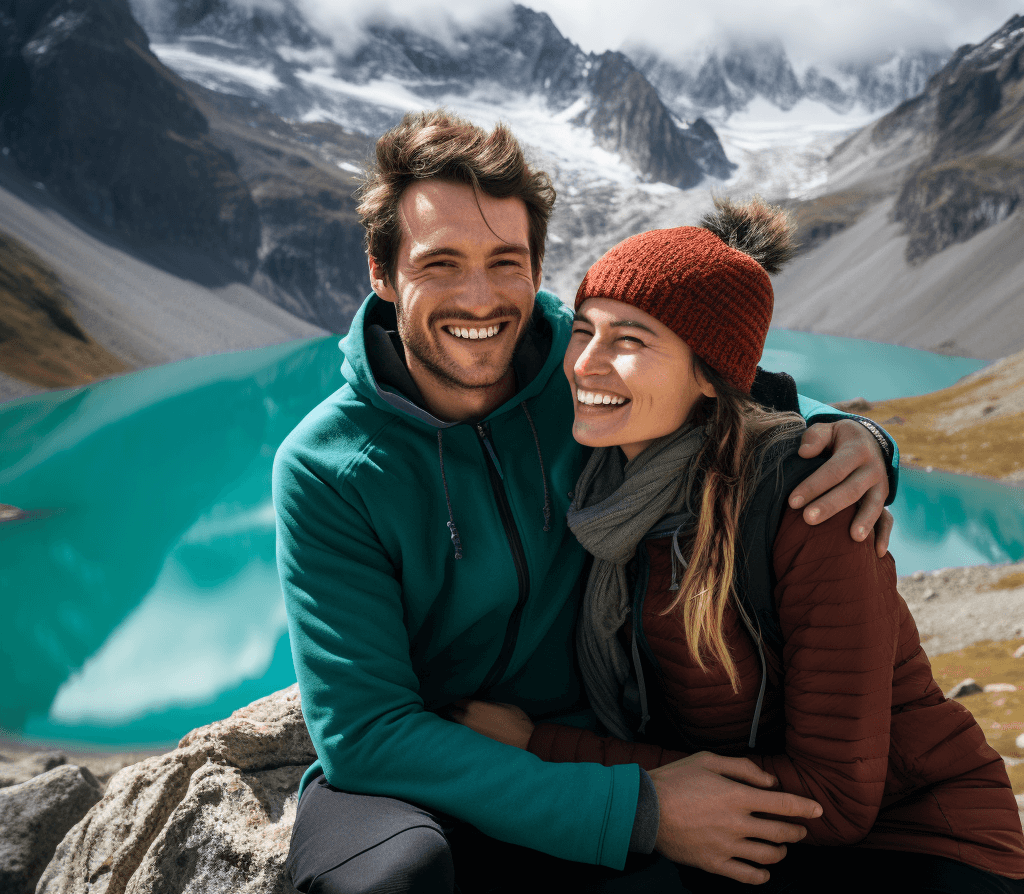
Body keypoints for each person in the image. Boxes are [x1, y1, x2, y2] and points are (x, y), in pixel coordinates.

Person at [274, 110, 900, 894]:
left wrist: (855, 435)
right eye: (440, 264)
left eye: (506, 261)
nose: (479, 299)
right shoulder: (325, 465)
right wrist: (636, 809)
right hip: (418, 766)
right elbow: (367, 734)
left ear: (538, 267)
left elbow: (731, 392)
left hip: (580, 739)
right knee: (386, 883)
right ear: (381, 270)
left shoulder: (585, 371)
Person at [453, 200, 1024, 893]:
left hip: (920, 840)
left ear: (710, 375)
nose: (587, 365)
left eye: (630, 341)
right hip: (752, 828)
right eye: (585, 332)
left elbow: (835, 798)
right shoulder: (607, 490)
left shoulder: (803, 502)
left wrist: (539, 748)